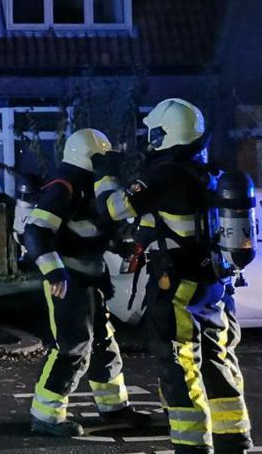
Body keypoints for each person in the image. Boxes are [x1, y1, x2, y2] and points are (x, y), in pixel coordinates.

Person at [94, 98, 252, 454]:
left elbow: (111, 209)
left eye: (155, 131)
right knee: (217, 356)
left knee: (180, 360)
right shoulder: (207, 171)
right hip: (214, 283)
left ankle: (190, 443)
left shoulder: (164, 174)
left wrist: (104, 175)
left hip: (178, 283)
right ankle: (233, 436)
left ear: (166, 133)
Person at [24, 129, 151, 437]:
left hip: (89, 279)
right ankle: (46, 415)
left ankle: (113, 408)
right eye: (101, 159)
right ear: (87, 157)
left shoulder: (88, 188)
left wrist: (118, 246)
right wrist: (54, 273)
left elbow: (91, 230)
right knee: (72, 347)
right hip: (68, 282)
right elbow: (35, 232)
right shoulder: (63, 188)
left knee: (103, 344)